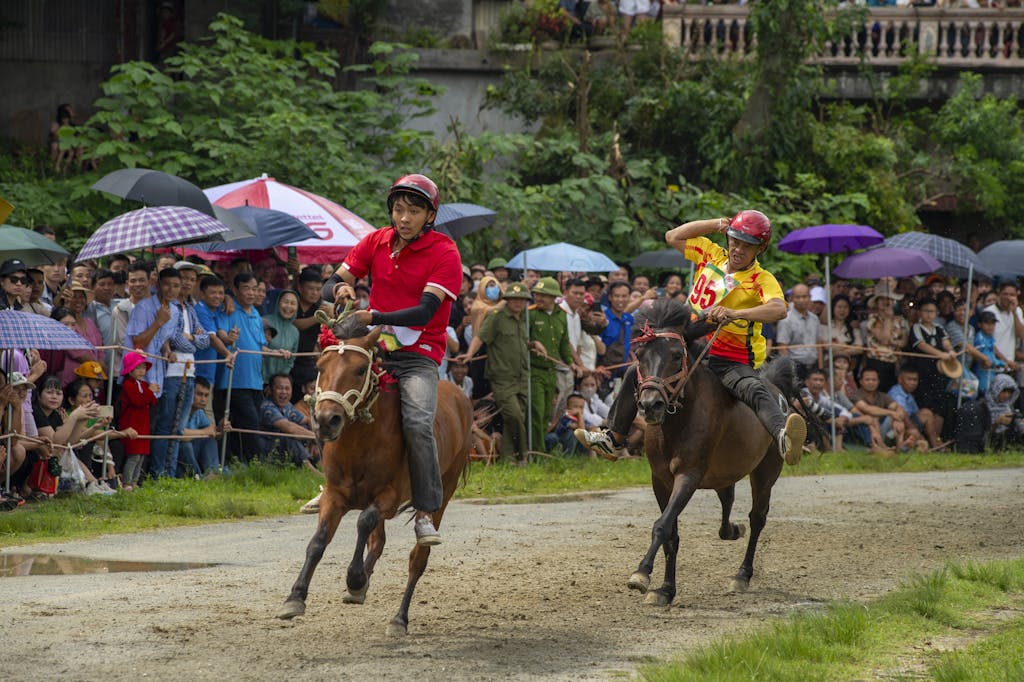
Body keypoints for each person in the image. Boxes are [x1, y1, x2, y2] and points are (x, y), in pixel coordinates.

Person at [575, 211, 806, 465]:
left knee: (753, 388)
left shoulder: (761, 279)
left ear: (760, 248)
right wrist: (717, 224)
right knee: (637, 371)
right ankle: (613, 439)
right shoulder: (712, 253)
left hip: (729, 356)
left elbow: (779, 309)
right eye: (735, 241)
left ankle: (783, 438)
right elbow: (672, 235)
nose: (738, 250)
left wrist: (736, 313)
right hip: (689, 341)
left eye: (747, 246)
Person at [324, 173, 463, 546]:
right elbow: (330, 282)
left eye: (413, 211)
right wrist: (341, 286)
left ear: (429, 216)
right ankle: (330, 486)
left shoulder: (445, 252)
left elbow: (424, 312)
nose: (404, 218)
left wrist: (372, 316)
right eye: (398, 209)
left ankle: (424, 510)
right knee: (332, 397)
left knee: (417, 422)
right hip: (377, 347)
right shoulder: (375, 241)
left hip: (419, 354)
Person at [457, 282, 532, 465]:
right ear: (507, 300)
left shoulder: (523, 319)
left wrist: (534, 345)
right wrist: (469, 354)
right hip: (502, 376)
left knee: (514, 418)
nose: (518, 303)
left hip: (522, 376)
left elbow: (522, 343)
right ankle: (523, 455)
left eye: (522, 300)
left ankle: (507, 459)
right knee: (514, 414)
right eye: (514, 299)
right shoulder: (496, 316)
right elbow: (480, 337)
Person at [528, 277, 577, 451]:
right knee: (537, 411)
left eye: (544, 295)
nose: (538, 298)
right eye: (537, 294)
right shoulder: (530, 314)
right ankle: (536, 453)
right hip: (534, 371)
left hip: (552, 371)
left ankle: (541, 449)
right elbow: (523, 340)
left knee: (547, 414)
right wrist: (532, 343)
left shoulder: (561, 315)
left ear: (554, 297)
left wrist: (571, 363)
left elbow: (564, 343)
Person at [260, 374, 320, 472]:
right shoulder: (267, 407)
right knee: (289, 438)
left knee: (304, 426)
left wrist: (315, 442)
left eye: (287, 388)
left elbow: (307, 420)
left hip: (285, 449)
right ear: (270, 390)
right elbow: (289, 428)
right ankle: (311, 470)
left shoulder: (287, 405)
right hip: (268, 450)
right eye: (279, 388)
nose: (284, 392)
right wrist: (316, 437)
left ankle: (312, 461)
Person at [119, 351, 158, 489]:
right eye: (138, 368)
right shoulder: (128, 385)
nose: (142, 371)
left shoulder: (143, 384)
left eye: (143, 367)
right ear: (129, 370)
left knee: (141, 456)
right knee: (133, 455)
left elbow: (151, 401)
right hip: (132, 424)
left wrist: (151, 392)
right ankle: (127, 482)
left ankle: (134, 481)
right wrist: (149, 392)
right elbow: (138, 401)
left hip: (142, 425)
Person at [863, 281, 909, 392]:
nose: (886, 301)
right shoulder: (872, 319)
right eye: (882, 299)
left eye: (888, 298)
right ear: (877, 302)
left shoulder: (901, 320)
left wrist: (892, 342)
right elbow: (883, 339)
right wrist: (888, 319)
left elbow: (904, 342)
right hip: (877, 363)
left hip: (895, 364)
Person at [887, 367, 940, 450]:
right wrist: (914, 430)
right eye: (909, 380)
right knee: (912, 429)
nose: (913, 383)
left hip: (907, 425)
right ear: (900, 380)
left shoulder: (908, 394)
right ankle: (928, 446)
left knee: (926, 413)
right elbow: (902, 415)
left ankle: (936, 445)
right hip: (894, 428)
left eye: (915, 380)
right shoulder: (896, 393)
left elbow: (915, 413)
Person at [178, 376, 221, 477]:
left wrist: (220, 428)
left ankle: (212, 473)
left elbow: (212, 431)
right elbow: (181, 434)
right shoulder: (180, 409)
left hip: (192, 457)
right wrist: (205, 432)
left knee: (210, 440)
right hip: (177, 462)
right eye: (199, 394)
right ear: (190, 393)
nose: (203, 399)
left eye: (206, 395)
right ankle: (198, 477)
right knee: (185, 445)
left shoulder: (199, 412)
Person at [775, 283, 820, 378]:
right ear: (791, 298)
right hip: (795, 368)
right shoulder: (786, 320)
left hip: (814, 367)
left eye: (804, 296)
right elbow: (782, 348)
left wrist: (820, 368)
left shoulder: (815, 319)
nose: (801, 300)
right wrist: (790, 370)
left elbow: (818, 344)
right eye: (798, 297)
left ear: (810, 297)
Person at [262, 289, 300, 384]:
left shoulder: (295, 331)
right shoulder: (265, 321)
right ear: (278, 303)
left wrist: (277, 382)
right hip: (260, 380)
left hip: (278, 385)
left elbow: (291, 361)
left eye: (293, 303)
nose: (288, 306)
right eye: (285, 302)